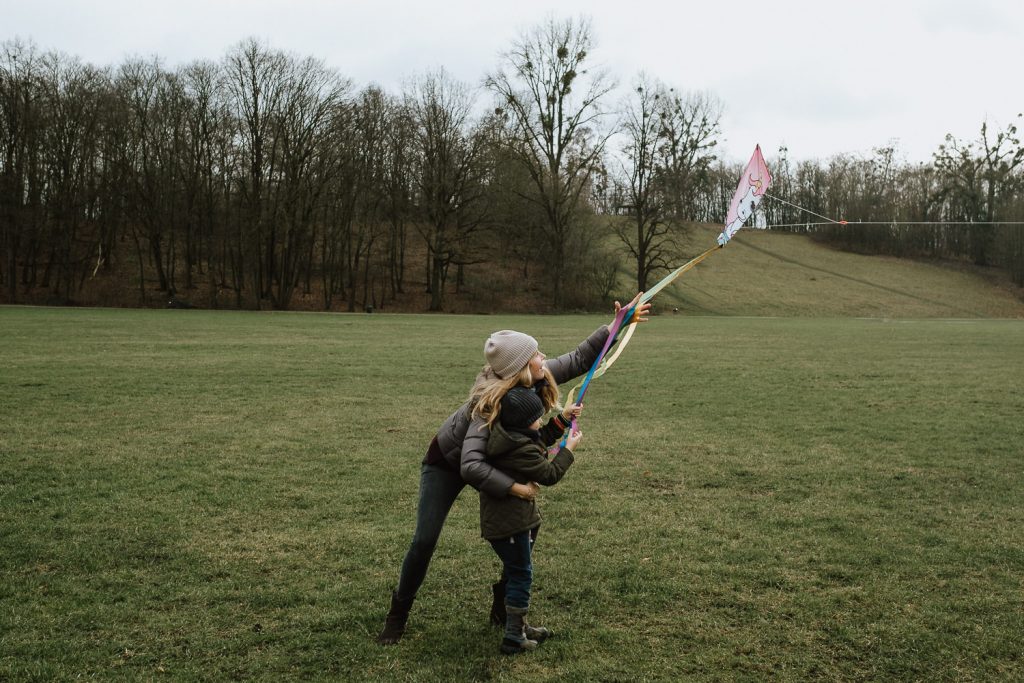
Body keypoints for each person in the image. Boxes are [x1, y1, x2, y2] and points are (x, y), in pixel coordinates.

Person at [377, 293, 650, 645]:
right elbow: (471, 465)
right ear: (520, 365)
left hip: (495, 460)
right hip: (448, 463)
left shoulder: (533, 374)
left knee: (524, 527)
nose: (543, 356)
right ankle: (397, 615)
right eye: (536, 353)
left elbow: (581, 358)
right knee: (425, 539)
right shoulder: (486, 404)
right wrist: (515, 488)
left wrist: (617, 324)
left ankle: (504, 606)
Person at [481, 386, 583, 654]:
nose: (541, 419)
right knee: (520, 575)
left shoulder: (513, 436)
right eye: (538, 416)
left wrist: (563, 420)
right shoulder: (518, 449)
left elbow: (540, 438)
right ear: (525, 422)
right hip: (511, 524)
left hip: (513, 522)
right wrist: (568, 450)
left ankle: (518, 625)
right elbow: (549, 474)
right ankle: (513, 636)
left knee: (516, 572)